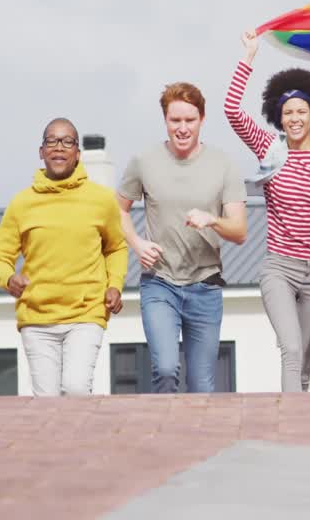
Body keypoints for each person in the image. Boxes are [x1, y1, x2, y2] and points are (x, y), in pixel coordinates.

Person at [225, 30, 310, 392]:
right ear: (278, 118)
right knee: (291, 349)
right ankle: (288, 429)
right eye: (287, 113)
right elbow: (232, 112)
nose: (294, 119)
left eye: (301, 112)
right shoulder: (270, 148)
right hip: (279, 266)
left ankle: (297, 429)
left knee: (304, 366)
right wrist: (249, 56)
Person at [117, 82, 248, 394]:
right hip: (159, 281)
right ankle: (166, 438)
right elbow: (116, 210)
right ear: (165, 121)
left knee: (202, 384)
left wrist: (212, 220)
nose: (183, 128)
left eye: (190, 120)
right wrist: (136, 243)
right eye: (175, 120)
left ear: (202, 119)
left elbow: (240, 231)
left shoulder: (223, 165)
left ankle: (198, 442)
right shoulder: (144, 161)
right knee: (165, 369)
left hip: (206, 285)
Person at [0, 117, 128, 396]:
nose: (59, 147)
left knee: (76, 390)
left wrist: (115, 285)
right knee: (47, 403)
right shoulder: (21, 203)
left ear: (77, 153)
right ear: (41, 152)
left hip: (85, 313)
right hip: (37, 320)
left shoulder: (101, 199)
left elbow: (116, 248)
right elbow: (0, 258)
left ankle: (82, 441)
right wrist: (9, 279)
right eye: (51, 141)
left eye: (67, 141)